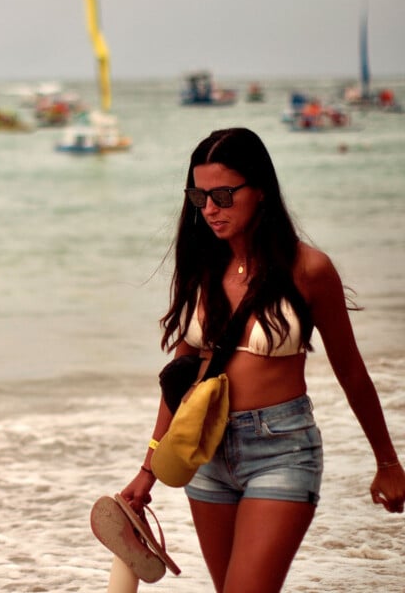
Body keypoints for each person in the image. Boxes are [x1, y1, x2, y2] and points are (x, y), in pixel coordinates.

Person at [118, 127, 405, 592]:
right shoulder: (201, 268)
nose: (210, 209)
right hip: (206, 452)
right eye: (199, 197)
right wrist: (148, 467)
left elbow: (351, 370)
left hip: (282, 449)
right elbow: (180, 377)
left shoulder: (309, 270)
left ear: (261, 190)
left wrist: (387, 462)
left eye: (223, 195)